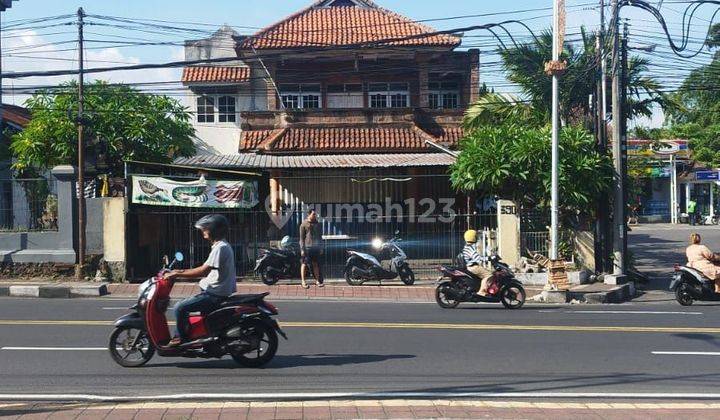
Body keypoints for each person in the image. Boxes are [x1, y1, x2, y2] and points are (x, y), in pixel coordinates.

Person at [164, 215, 237, 346]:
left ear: (214, 230)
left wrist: (177, 273)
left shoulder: (220, 247)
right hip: (215, 291)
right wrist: (177, 272)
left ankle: (180, 338)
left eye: (206, 229)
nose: (203, 231)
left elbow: (203, 271)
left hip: (214, 294)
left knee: (179, 308)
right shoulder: (220, 246)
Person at [462, 230, 493, 296]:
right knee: (489, 275)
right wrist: (489, 258)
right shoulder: (470, 248)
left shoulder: (467, 247)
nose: (477, 237)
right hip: (473, 267)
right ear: (473, 237)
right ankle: (482, 291)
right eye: (476, 236)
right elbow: (478, 259)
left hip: (472, 266)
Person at [300, 209, 324, 289]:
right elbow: (301, 238)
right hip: (307, 248)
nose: (315, 216)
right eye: (313, 214)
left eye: (315, 214)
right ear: (309, 214)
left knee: (315, 264)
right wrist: (302, 249)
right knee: (304, 264)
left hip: (315, 248)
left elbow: (320, 237)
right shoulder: (304, 224)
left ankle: (317, 281)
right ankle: (303, 281)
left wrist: (321, 247)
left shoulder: (317, 224)